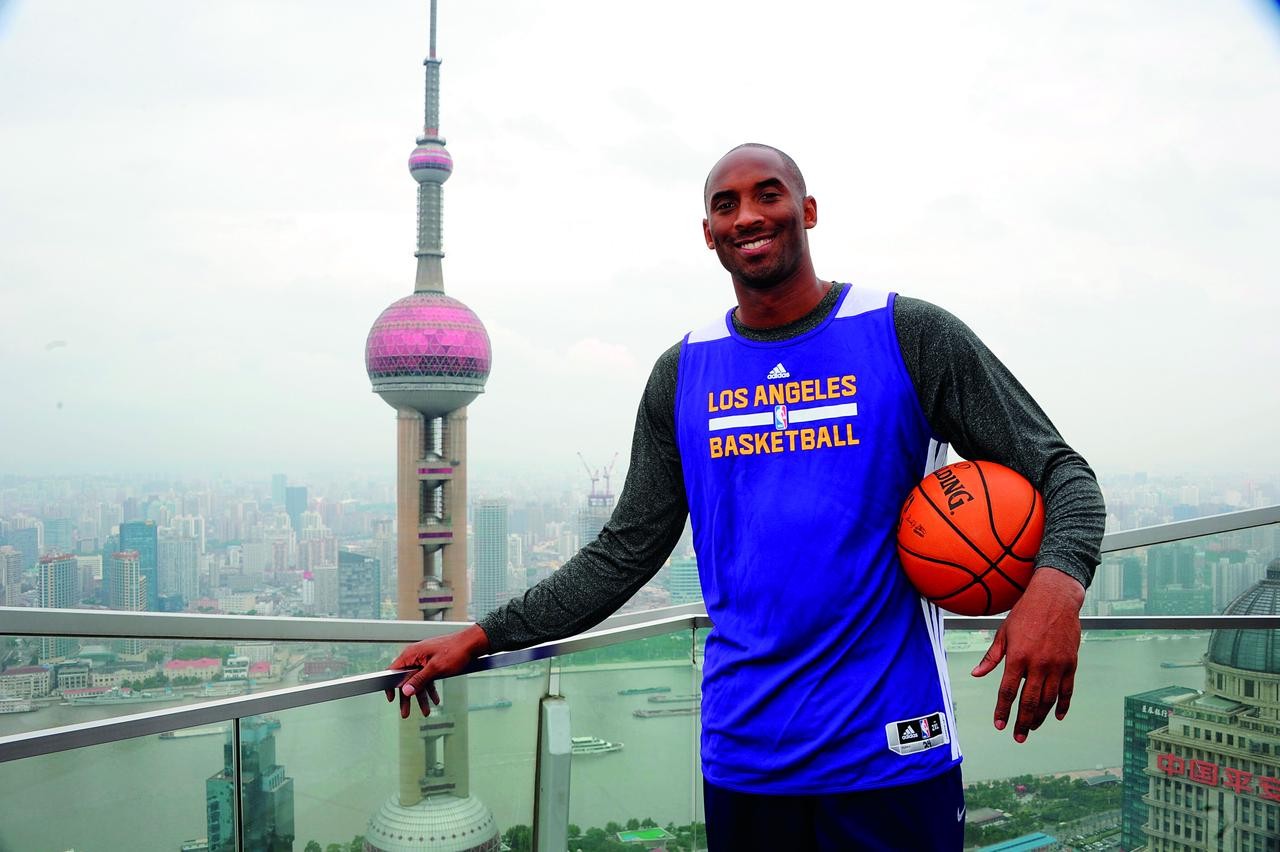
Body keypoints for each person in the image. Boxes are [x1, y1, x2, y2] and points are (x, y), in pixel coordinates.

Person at [388, 143, 1105, 850]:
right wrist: (483, 635)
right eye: (725, 204)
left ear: (808, 210)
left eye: (768, 194)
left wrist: (1055, 589)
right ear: (708, 233)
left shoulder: (906, 333)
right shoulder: (684, 371)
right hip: (746, 756)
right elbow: (624, 551)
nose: (748, 216)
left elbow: (1063, 474)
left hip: (891, 747)